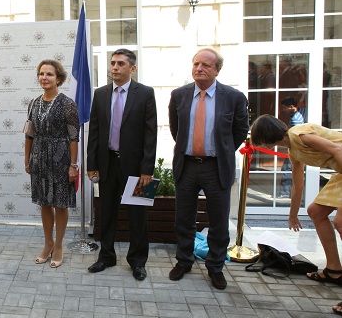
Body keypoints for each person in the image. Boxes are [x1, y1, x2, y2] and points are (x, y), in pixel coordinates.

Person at [167, 48, 249, 289]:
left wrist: (221, 150)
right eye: (196, 64)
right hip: (187, 165)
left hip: (216, 168)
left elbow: (239, 131)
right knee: (183, 219)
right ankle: (184, 261)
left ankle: (215, 267)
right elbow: (176, 129)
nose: (199, 68)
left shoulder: (233, 97)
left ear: (217, 70)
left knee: (218, 221)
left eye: (205, 65)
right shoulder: (179, 95)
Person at [250, 115, 342, 315]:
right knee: (315, 212)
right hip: (340, 171)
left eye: (260, 139)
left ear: (266, 136)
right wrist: (292, 215)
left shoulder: (299, 134)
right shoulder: (294, 150)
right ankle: (334, 270)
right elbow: (297, 185)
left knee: (341, 222)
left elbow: (337, 149)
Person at [85, 49, 157, 280]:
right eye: (112, 63)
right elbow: (94, 132)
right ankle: (106, 256)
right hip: (107, 165)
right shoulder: (101, 94)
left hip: (137, 169)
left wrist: (147, 169)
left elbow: (150, 134)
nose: (114, 67)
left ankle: (137, 262)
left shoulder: (145, 93)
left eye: (120, 64)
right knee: (106, 214)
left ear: (132, 68)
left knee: (138, 217)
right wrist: (91, 165)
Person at [24, 59, 79, 269]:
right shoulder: (34, 103)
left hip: (61, 158)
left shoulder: (67, 104)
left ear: (59, 78)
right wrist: (27, 159)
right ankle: (47, 243)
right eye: (41, 74)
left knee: (60, 202)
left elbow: (74, 137)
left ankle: (59, 245)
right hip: (39, 157)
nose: (44, 78)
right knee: (45, 202)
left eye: (49, 74)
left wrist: (73, 165)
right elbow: (29, 134)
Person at [278, 97, 305, 197]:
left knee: (287, 169)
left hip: (296, 147)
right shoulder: (302, 112)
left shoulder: (295, 120)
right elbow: (303, 105)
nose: (283, 110)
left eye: (285, 108)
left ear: (292, 107)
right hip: (299, 148)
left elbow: (293, 137)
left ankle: (284, 193)